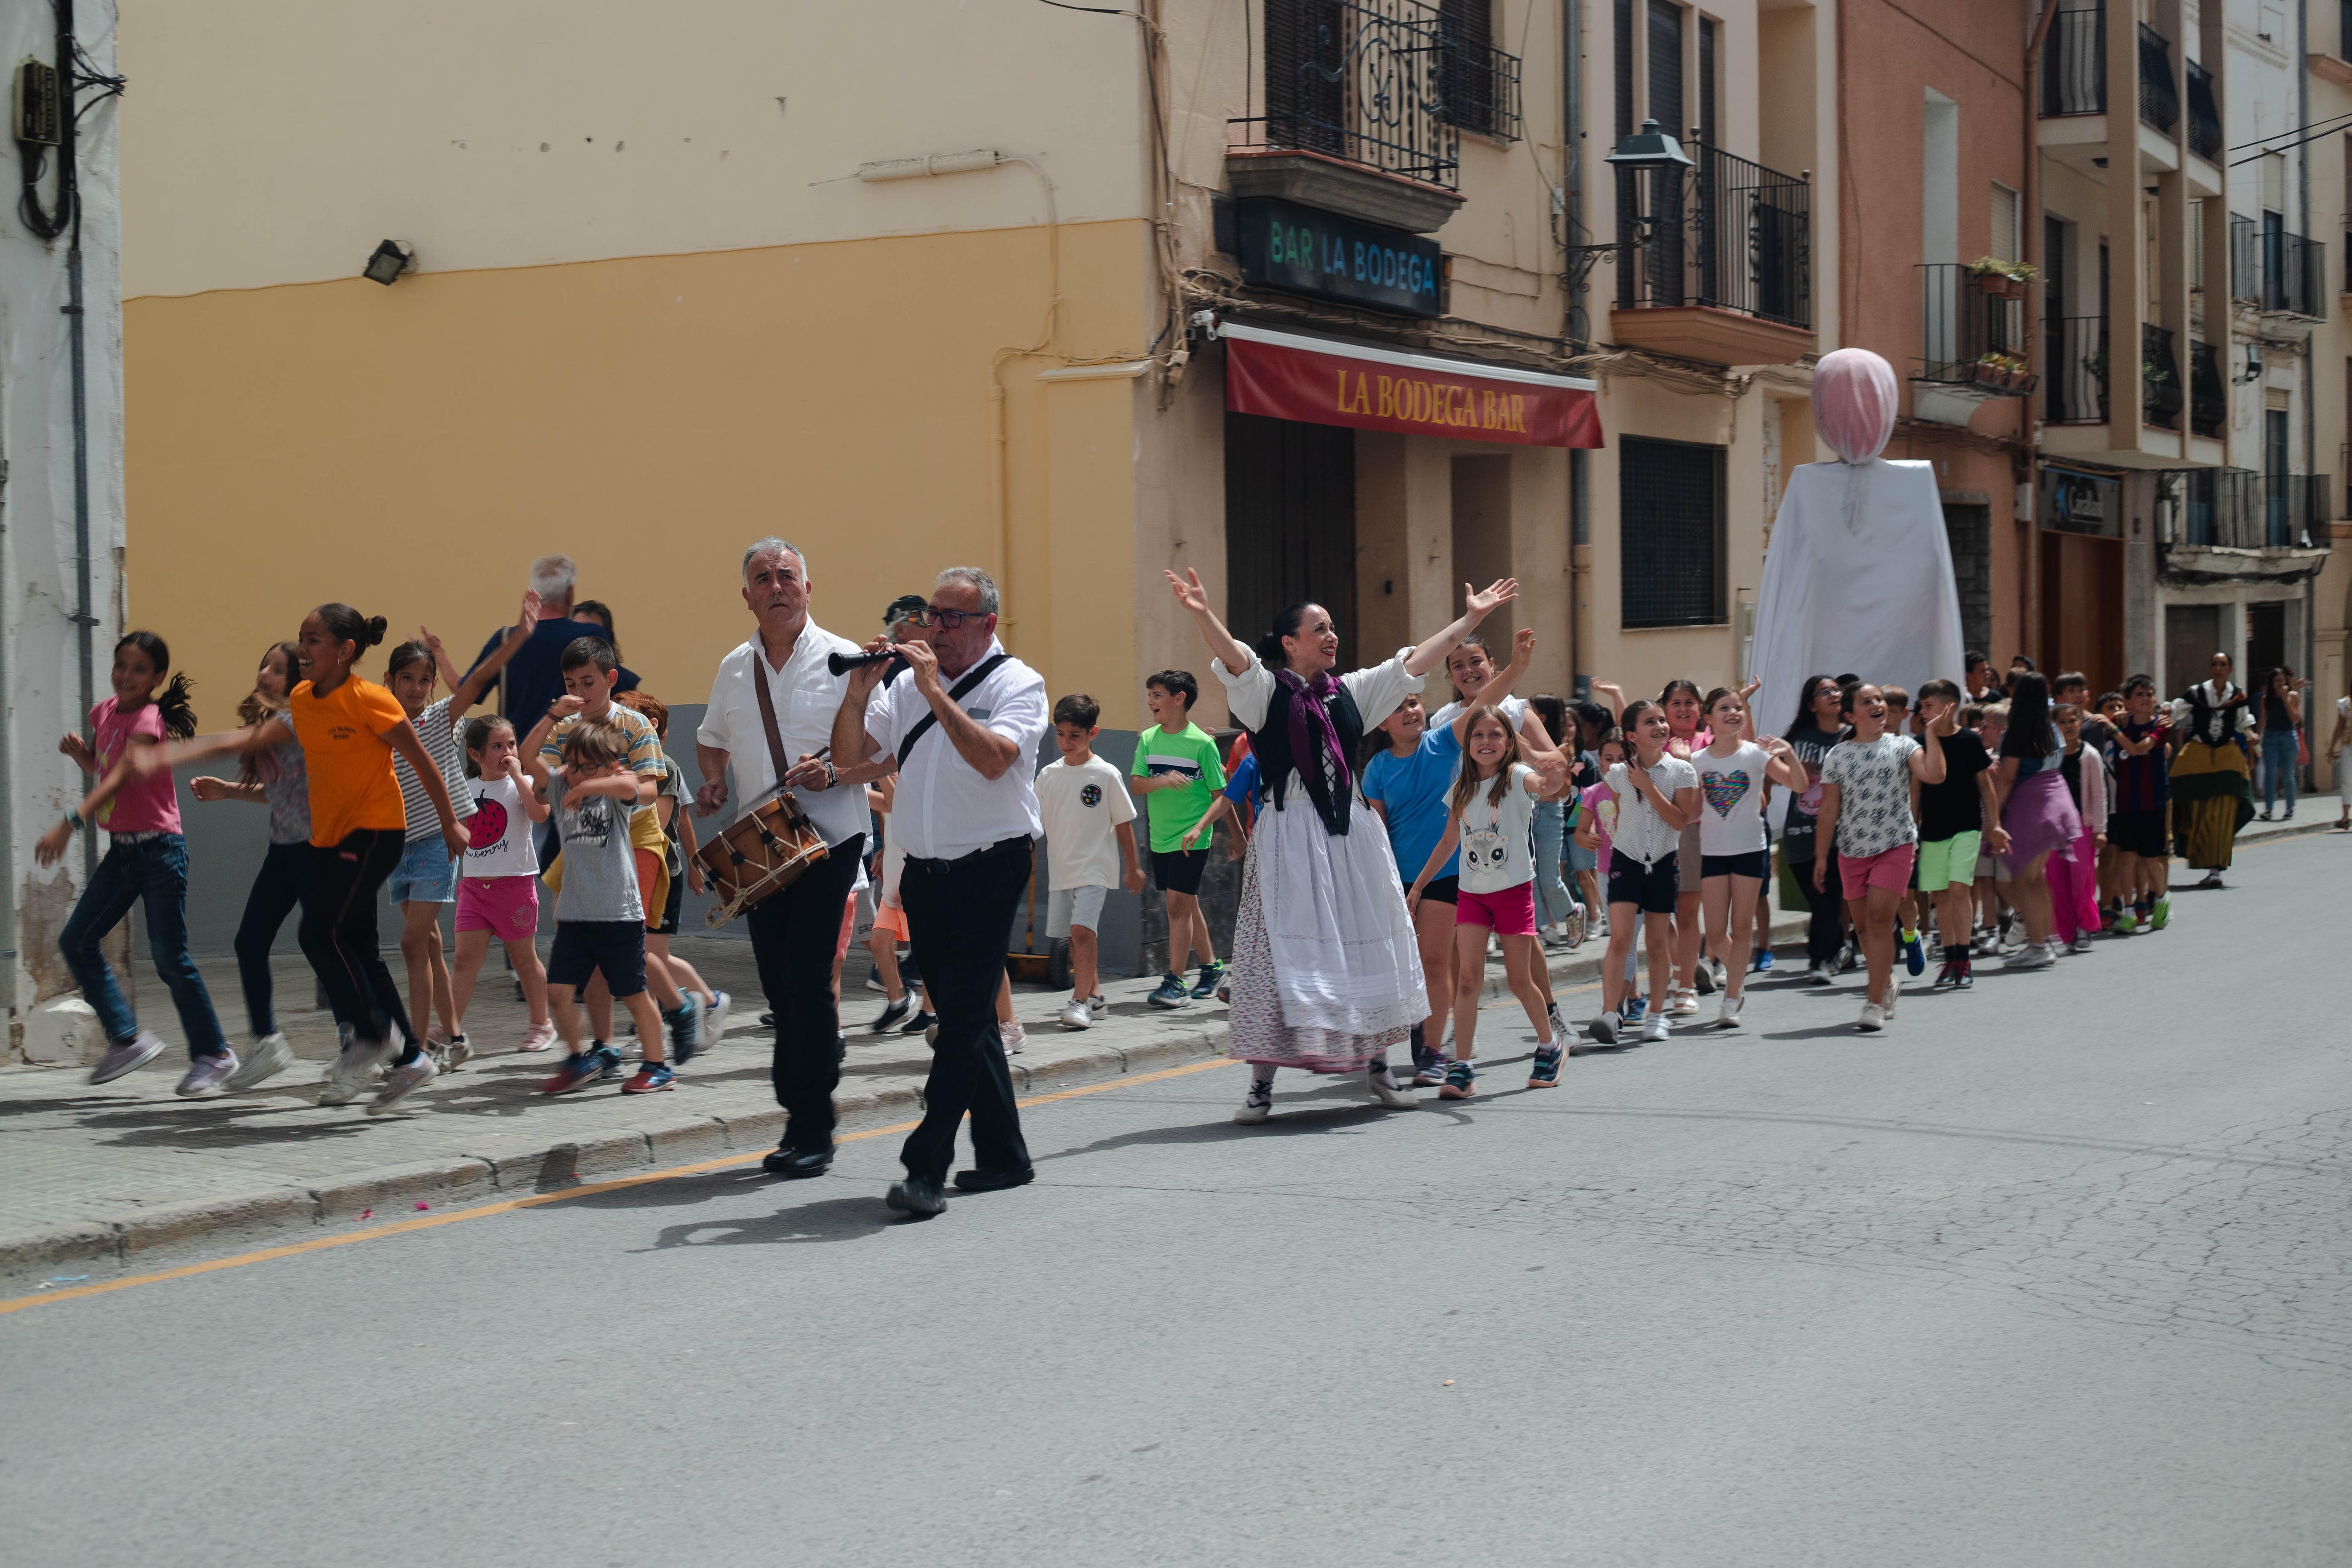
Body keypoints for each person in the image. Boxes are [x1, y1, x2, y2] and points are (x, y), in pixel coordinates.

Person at [1164, 569, 1518, 1123]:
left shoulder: (1350, 691)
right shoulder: (1264, 693)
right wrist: (1201, 613)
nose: (1331, 636)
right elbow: (1234, 658)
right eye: (1318, 628)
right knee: (1285, 954)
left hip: (1352, 834)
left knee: (1367, 944)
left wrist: (1471, 619)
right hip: (1290, 834)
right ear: (1289, 642)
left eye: (1332, 628)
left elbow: (1419, 661)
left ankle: (1379, 1068)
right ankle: (1261, 1085)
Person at [151, 605, 471, 1112]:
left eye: (313, 639)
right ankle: (406, 1056)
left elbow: (421, 759)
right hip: (334, 837)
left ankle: (372, 1036)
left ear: (345, 652)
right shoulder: (303, 699)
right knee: (351, 942)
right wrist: (170, 754)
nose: (303, 648)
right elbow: (252, 739)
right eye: (302, 637)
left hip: (376, 832)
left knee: (319, 933)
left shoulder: (370, 700)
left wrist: (451, 821)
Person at [829, 565, 1047, 1217]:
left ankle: (926, 1166)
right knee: (966, 1015)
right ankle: (1006, 1155)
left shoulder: (1019, 683)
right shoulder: (902, 687)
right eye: (933, 614)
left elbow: (991, 759)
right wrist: (859, 691)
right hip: (924, 872)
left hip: (991, 865)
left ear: (987, 624)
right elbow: (851, 759)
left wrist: (931, 688)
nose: (937, 628)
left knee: (955, 1023)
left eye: (953, 617)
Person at [696, 539, 875, 1179]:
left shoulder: (844, 657)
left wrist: (834, 768)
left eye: (787, 576)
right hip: (762, 846)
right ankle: (801, 1104)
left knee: (804, 978)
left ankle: (812, 1123)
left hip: (831, 838)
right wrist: (713, 780)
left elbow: (880, 749)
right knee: (777, 985)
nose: (776, 586)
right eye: (763, 578)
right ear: (747, 595)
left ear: (808, 586)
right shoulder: (733, 667)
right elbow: (710, 738)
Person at [38, 632, 237, 1095]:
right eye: (121, 665)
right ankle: (126, 1039)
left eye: (139, 669)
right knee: (78, 940)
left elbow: (126, 772)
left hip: (161, 852)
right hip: (124, 852)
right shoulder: (104, 712)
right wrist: (81, 755)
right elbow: (105, 769)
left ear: (157, 678)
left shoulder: (148, 720)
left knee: (171, 956)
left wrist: (73, 820)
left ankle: (215, 1053)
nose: (126, 676)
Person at [1362, 632, 1534, 1085]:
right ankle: (1410, 1039)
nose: (1411, 711)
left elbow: (1487, 700)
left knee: (1435, 963)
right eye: (1400, 707)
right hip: (1397, 879)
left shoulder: (1443, 741)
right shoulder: (1377, 769)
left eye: (1415, 703)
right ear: (1382, 722)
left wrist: (1514, 668)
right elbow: (1376, 830)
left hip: (1447, 874)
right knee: (1402, 967)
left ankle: (1432, 1051)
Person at [528, 638, 702, 1062]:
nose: (580, 691)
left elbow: (646, 789)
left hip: (637, 840)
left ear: (609, 679)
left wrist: (592, 785)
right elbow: (540, 777)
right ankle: (603, 1046)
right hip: (584, 841)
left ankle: (678, 1011)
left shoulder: (635, 725)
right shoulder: (564, 726)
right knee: (589, 949)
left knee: (628, 949)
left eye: (587, 682)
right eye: (571, 683)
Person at [390, 596, 539, 1067]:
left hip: (439, 841)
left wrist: (519, 636)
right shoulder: (379, 726)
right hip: (399, 847)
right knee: (432, 944)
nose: (415, 687)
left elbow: (475, 681)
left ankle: (414, 1050)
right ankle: (453, 1035)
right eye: (406, 679)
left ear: (433, 686)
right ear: (389, 683)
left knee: (414, 942)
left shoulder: (439, 721)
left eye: (423, 680)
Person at [1406, 699, 1568, 1094]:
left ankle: (1550, 1046)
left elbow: (1546, 788)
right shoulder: (1460, 788)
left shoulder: (1516, 777)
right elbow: (1448, 842)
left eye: (1495, 734)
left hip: (1513, 893)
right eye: (1477, 735)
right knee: (1467, 980)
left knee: (1519, 980)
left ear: (1509, 742)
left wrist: (1552, 775)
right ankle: (1462, 1067)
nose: (1485, 741)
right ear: (1468, 745)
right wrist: (1419, 885)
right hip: (1473, 895)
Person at [187, 640, 321, 1090]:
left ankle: (367, 1036)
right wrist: (228, 789)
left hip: (317, 847)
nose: (265, 673)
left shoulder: (296, 719)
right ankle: (266, 1042)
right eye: (264, 664)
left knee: (331, 945)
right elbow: (275, 792)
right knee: (250, 941)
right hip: (284, 848)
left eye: (278, 669)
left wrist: (162, 755)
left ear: (298, 680)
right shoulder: (272, 724)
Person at [533, 721, 676, 1094]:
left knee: (632, 993)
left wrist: (588, 785)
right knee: (559, 992)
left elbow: (632, 786)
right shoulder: (561, 784)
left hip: (618, 913)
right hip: (576, 915)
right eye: (573, 765)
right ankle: (577, 1060)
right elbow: (528, 758)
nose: (578, 773)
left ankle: (658, 1066)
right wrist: (551, 718)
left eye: (589, 766)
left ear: (611, 765)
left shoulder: (615, 793)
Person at [1813, 682, 1947, 1031]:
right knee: (1863, 928)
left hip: (1896, 845)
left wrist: (1931, 734)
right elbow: (1828, 809)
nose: (1877, 705)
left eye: (1880, 700)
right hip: (1852, 851)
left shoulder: (1904, 746)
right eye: (1867, 701)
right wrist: (1821, 857)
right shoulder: (1838, 755)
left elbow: (1935, 774)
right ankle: (1885, 981)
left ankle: (1873, 1003)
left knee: (1877, 921)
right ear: (1850, 715)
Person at [614, 690, 730, 1041]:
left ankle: (706, 1002)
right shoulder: (622, 766)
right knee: (647, 954)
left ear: (648, 727)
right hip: (629, 868)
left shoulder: (662, 767)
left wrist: (694, 866)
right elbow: (682, 820)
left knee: (652, 955)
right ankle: (661, 1016)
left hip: (660, 870)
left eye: (624, 718)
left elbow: (667, 819)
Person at [1582, 700, 1698, 1044]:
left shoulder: (1683, 771)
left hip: (1663, 861)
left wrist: (1648, 786)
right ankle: (1609, 1013)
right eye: (1651, 721)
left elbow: (1680, 820)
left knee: (1658, 942)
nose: (1661, 725)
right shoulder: (1617, 774)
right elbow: (1620, 815)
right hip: (1626, 861)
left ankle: (1657, 1014)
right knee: (1620, 938)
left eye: (1663, 720)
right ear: (1632, 734)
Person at [1691, 687, 1806, 1030]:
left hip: (1749, 850)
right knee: (1713, 934)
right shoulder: (1697, 762)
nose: (1733, 713)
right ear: (1708, 718)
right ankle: (1738, 976)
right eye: (1724, 708)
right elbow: (1693, 810)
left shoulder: (1757, 755)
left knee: (1742, 928)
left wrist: (1790, 754)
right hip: (1712, 851)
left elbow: (1799, 785)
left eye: (1738, 707)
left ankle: (1730, 998)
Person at [1035, 693, 1145, 1030]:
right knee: (1073, 935)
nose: (1067, 743)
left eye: (1076, 736)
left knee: (1082, 932)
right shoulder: (1048, 776)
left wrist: (1133, 867)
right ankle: (1095, 995)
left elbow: (1123, 823)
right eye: (1061, 734)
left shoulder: (1106, 774)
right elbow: (1031, 823)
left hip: (1096, 867)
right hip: (1061, 868)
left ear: (1093, 734)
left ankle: (1079, 1002)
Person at [451, 715, 556, 1052]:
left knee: (524, 959)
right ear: (475, 754)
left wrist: (517, 775)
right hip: (473, 889)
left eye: (511, 744)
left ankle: (542, 1024)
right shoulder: (464, 790)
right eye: (497, 746)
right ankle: (450, 1029)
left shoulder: (522, 782)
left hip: (514, 887)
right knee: (465, 960)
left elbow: (540, 813)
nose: (507, 751)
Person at [1129, 669, 1226, 1007]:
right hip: (1161, 837)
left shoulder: (1203, 743)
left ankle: (1175, 982)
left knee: (1175, 907)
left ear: (1179, 699)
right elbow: (1137, 784)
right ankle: (1212, 968)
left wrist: (1200, 827)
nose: (1150, 701)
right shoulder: (1147, 739)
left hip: (1192, 838)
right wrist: (1164, 780)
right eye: (1150, 694)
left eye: (1157, 694)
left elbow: (1220, 794)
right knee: (1187, 904)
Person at [463, 554, 636, 725]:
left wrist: (441, 657)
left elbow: (467, 691)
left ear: (535, 592)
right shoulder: (592, 634)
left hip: (517, 749)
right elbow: (619, 695)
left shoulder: (506, 639)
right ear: (570, 592)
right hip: (577, 747)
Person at [1910, 679, 2004, 988]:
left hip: (1966, 827)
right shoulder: (1918, 742)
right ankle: (1950, 958)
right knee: (1941, 895)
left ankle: (1964, 960)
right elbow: (1916, 789)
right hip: (1932, 829)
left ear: (1949, 707)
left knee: (1959, 888)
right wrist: (1912, 828)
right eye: (1921, 706)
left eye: (1929, 705)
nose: (1922, 711)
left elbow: (1985, 784)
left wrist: (1996, 824)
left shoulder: (1969, 741)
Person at [1991, 672, 2080, 971]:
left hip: (2033, 805)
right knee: (2037, 878)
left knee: (2024, 880)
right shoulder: (2052, 727)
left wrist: (1992, 819)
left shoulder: (2017, 731)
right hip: (2059, 799)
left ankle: (2039, 946)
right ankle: (2046, 939)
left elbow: (2006, 779)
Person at [1779, 674, 1848, 983]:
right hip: (1797, 836)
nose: (1834, 695)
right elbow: (1771, 771)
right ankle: (1838, 950)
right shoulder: (1797, 738)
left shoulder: (1852, 737)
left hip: (1839, 836)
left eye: (1836, 689)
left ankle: (1819, 960)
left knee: (1827, 897)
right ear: (1811, 704)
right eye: (1825, 692)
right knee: (1821, 900)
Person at [2168, 652, 2256, 888]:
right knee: (2195, 809)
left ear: (2230, 669)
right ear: (2210, 668)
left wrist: (2252, 737)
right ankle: (2191, 849)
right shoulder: (2197, 693)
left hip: (2226, 757)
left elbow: (2242, 721)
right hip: (2198, 754)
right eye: (2215, 664)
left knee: (2223, 813)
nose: (2219, 668)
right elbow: (2175, 710)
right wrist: (2160, 714)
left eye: (2223, 665)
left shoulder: (2238, 695)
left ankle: (2215, 870)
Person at [2106, 676, 2173, 932]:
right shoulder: (2119, 724)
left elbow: (2137, 749)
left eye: (2149, 694)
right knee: (2126, 857)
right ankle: (2129, 912)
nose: (2145, 699)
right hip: (2127, 802)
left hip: (2153, 801)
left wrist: (2114, 730)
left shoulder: (2161, 725)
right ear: (2128, 702)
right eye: (2139, 695)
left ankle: (2162, 901)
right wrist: (2114, 724)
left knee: (2150, 858)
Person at [1527, 693, 1587, 948]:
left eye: (1528, 710)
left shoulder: (1561, 749)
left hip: (1550, 816)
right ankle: (1541, 927)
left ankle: (1573, 912)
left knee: (1549, 877)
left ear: (1541, 717)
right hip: (1526, 813)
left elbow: (1563, 793)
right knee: (1529, 876)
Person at [2050, 702, 2108, 954]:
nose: (2068, 727)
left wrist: (2100, 828)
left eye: (2072, 721)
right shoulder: (2051, 755)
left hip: (2082, 828)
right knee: (2056, 881)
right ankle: (2067, 931)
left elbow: (2099, 794)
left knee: (2081, 879)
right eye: (2062, 722)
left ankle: (2085, 926)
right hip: (2055, 829)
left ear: (2080, 723)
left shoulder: (2090, 755)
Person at [2254, 665, 2305, 821]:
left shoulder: (2293, 696)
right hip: (2271, 738)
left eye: (2282, 681)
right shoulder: (2266, 699)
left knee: (2287, 775)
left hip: (2288, 738)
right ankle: (2269, 809)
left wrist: (2285, 699)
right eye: (2277, 681)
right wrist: (2257, 736)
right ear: (2271, 683)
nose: (2280, 684)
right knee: (2270, 775)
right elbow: (2263, 719)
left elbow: (2296, 719)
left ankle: (2290, 808)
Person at [569, 599, 642, 693]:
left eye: (593, 633)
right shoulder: (558, 680)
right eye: (579, 633)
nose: (584, 642)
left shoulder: (626, 684)